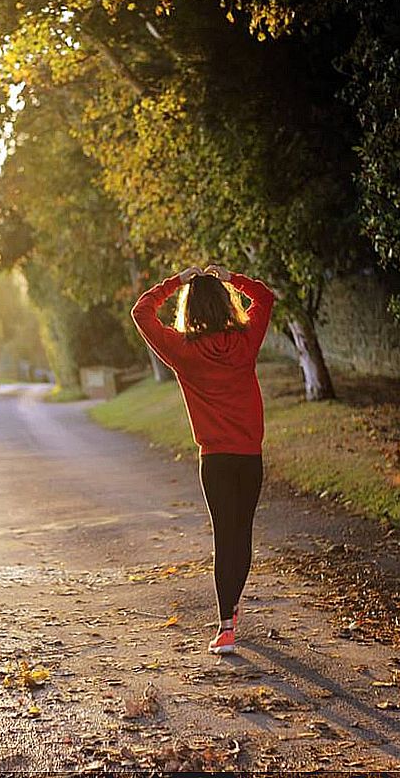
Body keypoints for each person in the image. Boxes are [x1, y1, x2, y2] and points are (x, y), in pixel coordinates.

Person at [130, 263, 275, 654]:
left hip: (214, 460)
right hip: (249, 458)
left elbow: (141, 312)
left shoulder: (183, 350)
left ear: (189, 310)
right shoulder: (245, 343)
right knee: (240, 534)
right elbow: (265, 298)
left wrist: (176, 282)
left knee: (224, 536)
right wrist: (233, 279)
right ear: (227, 305)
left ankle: (226, 625)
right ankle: (232, 605)